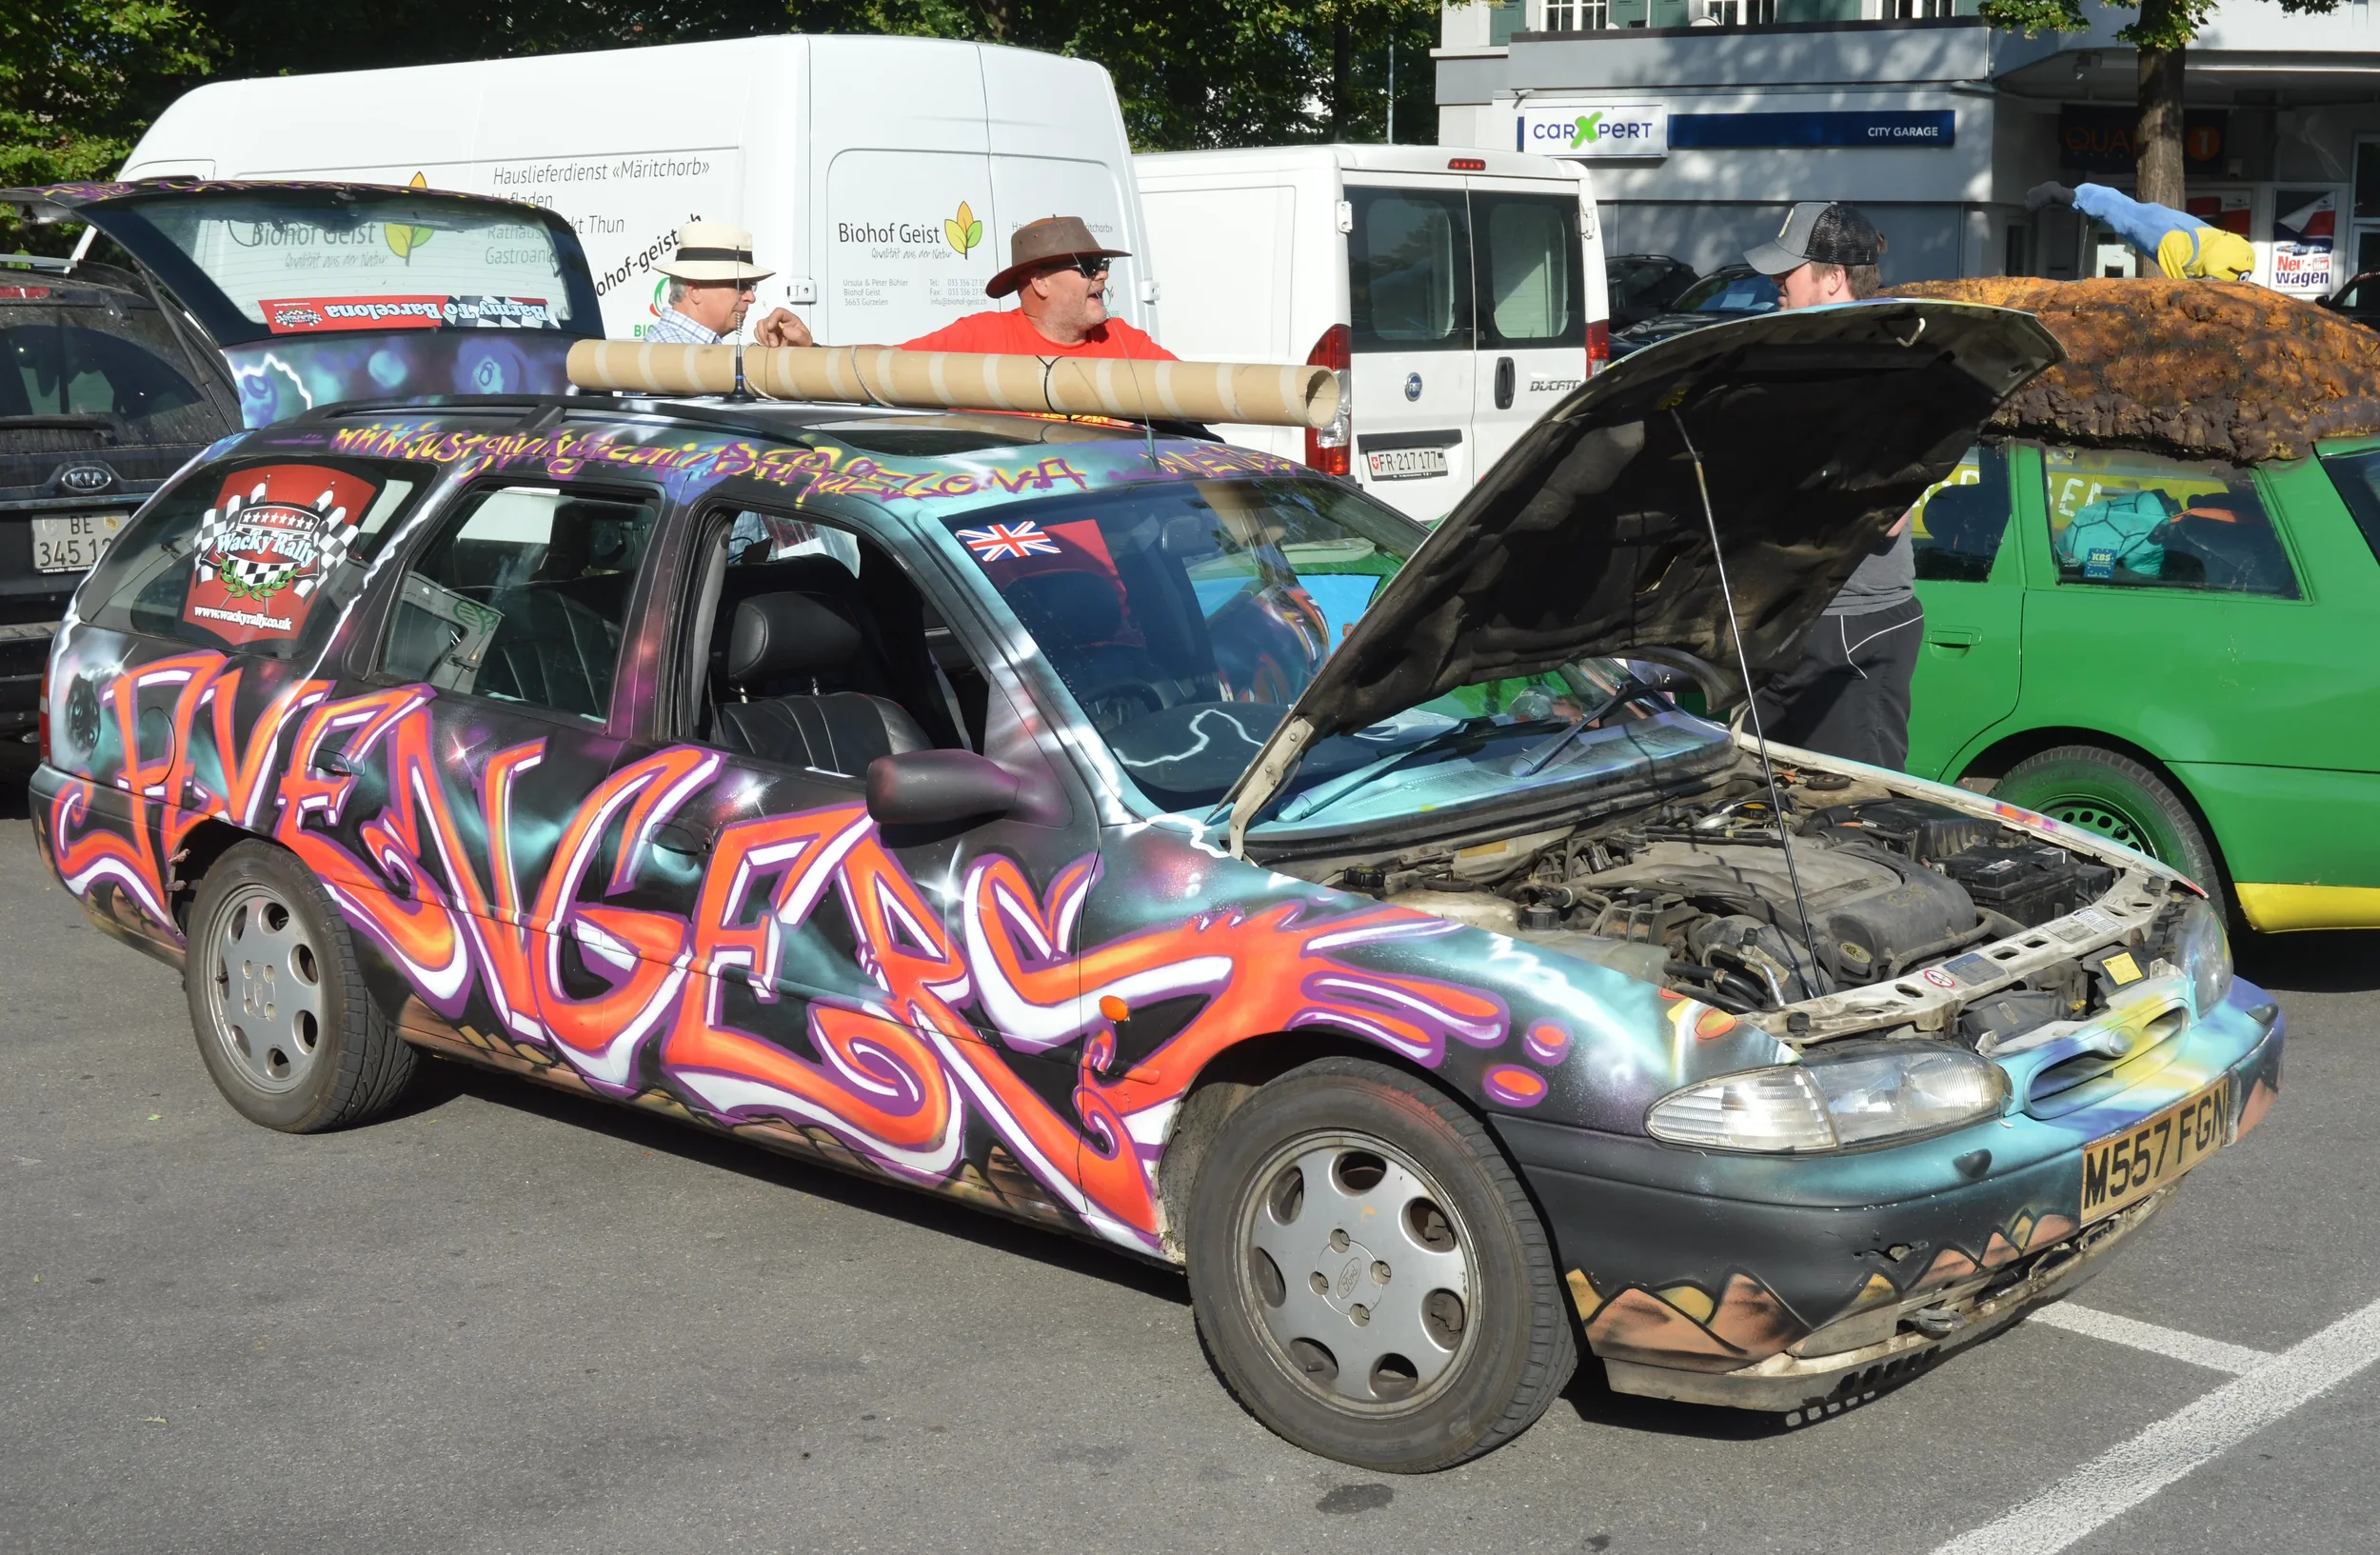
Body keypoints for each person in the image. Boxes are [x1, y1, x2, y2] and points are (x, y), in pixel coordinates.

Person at [1744, 201, 1925, 770]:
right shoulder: (1799, 360)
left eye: (1788, 270)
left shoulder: (1888, 370)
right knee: (1755, 810)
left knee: (1852, 821)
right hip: (1782, 621)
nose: (1775, 281)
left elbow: (1889, 514)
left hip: (1853, 628)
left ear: (1834, 278)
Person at [901, 215, 1175, 360]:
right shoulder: (980, 337)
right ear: (1040, 282)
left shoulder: (1126, 342)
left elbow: (1198, 393)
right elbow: (888, 365)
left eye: (1102, 264)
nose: (1102, 274)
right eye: (1088, 266)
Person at [2026, 182, 2255, 282]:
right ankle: (2067, 195)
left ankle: (2070, 196)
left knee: (2129, 211)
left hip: (2202, 236)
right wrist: (2181, 286)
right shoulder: (2185, 250)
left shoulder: (2231, 262)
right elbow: (2170, 244)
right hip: (2179, 238)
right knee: (2126, 216)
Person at [645, 221, 812, 348]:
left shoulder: (689, 349)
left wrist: (793, 358)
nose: (751, 297)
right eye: (739, 285)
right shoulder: (674, 353)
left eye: (751, 285)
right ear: (694, 289)